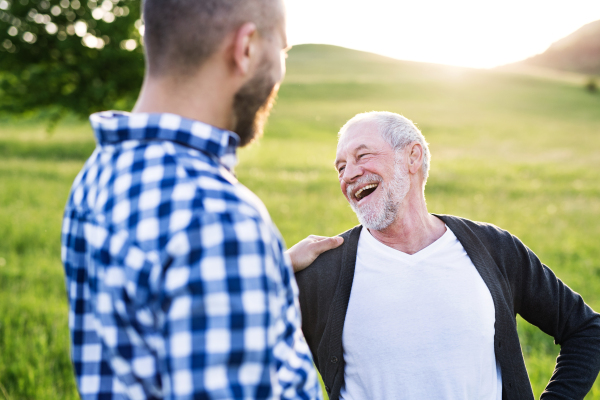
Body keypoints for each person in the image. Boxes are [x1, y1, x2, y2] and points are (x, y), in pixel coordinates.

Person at [60, 0, 341, 398]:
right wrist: (240, 258)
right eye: (281, 51)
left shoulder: (101, 172)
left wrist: (269, 271)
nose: (279, 73)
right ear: (245, 48)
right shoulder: (216, 222)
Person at [294, 111, 600, 400]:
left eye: (363, 156)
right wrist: (280, 267)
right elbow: (252, 350)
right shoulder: (322, 272)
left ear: (412, 157)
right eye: (341, 167)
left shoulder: (494, 249)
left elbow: (586, 329)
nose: (349, 174)